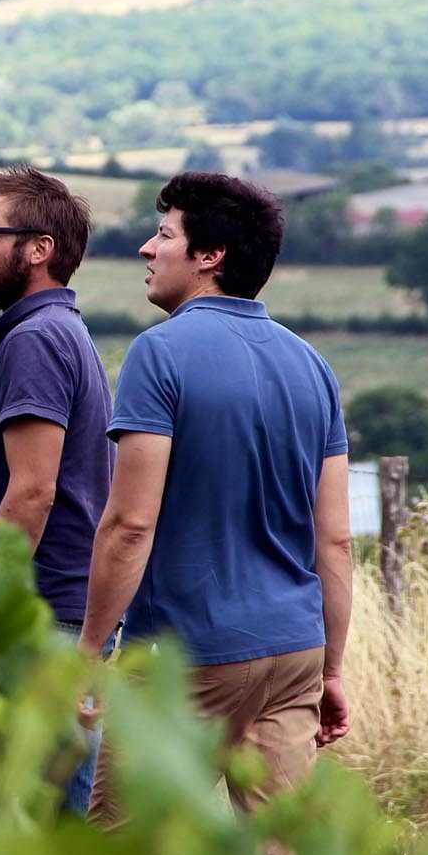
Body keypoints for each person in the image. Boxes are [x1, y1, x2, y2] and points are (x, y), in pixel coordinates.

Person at [80, 172, 353, 813]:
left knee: (120, 853)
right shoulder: (312, 366)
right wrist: (331, 670)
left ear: (210, 256)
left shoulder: (158, 354)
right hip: (294, 652)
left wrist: (88, 651)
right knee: (281, 854)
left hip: (187, 655)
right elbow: (335, 540)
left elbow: (130, 525)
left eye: (163, 234)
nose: (147, 249)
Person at [0, 166, 113, 813]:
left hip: (39, 621)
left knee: (41, 824)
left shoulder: (37, 341)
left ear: (39, 248)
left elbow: (32, 492)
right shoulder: (59, 332)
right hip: (59, 616)